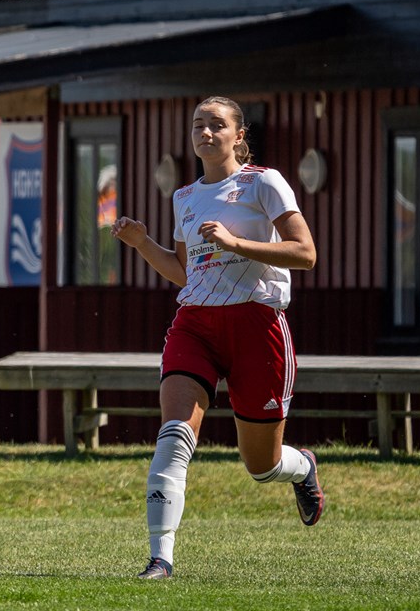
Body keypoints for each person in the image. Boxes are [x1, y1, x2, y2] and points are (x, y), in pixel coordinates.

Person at [111, 96, 325, 580]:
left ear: (238, 135)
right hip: (196, 324)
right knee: (174, 436)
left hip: (257, 326)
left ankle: (303, 466)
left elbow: (306, 253)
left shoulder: (263, 182)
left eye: (216, 125)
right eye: (198, 125)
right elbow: (185, 272)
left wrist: (236, 243)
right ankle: (160, 559)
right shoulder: (184, 196)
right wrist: (143, 243)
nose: (205, 132)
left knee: (261, 466)